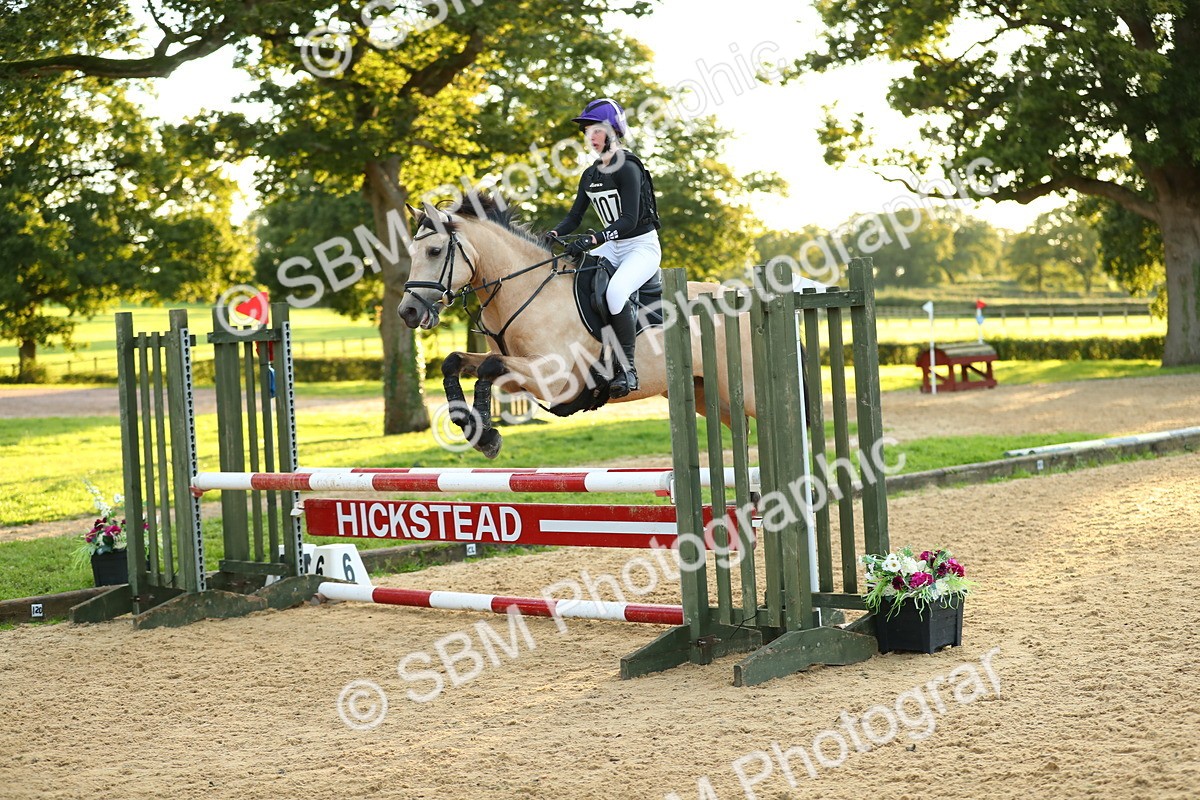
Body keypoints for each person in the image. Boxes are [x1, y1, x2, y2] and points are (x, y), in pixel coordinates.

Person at [546, 98, 661, 399]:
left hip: (640, 247)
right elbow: (574, 217)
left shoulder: (628, 167)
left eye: (595, 130)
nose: (590, 137)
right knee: (569, 280)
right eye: (587, 132)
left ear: (612, 130)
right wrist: (554, 232)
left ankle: (628, 369)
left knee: (615, 293)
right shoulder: (591, 174)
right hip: (612, 246)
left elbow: (629, 219)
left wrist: (594, 239)